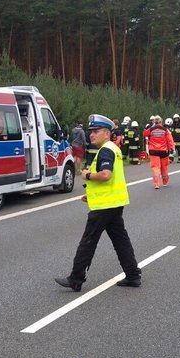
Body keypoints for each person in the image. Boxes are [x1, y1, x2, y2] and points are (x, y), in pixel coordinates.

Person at [55, 114, 141, 291]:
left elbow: (105, 175)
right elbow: (111, 180)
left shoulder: (106, 150)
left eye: (96, 131)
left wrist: (87, 175)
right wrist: (92, 194)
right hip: (113, 202)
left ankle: (76, 279)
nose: (92, 135)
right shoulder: (112, 148)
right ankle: (133, 275)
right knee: (120, 240)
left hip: (104, 206)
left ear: (107, 133)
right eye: (91, 132)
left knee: (88, 241)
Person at [143, 117, 174, 189]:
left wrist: (148, 129)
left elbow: (145, 134)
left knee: (155, 167)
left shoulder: (151, 129)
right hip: (164, 151)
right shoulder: (165, 130)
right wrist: (171, 149)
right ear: (161, 122)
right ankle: (165, 181)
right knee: (164, 167)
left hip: (153, 151)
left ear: (154, 122)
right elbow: (170, 140)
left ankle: (157, 184)